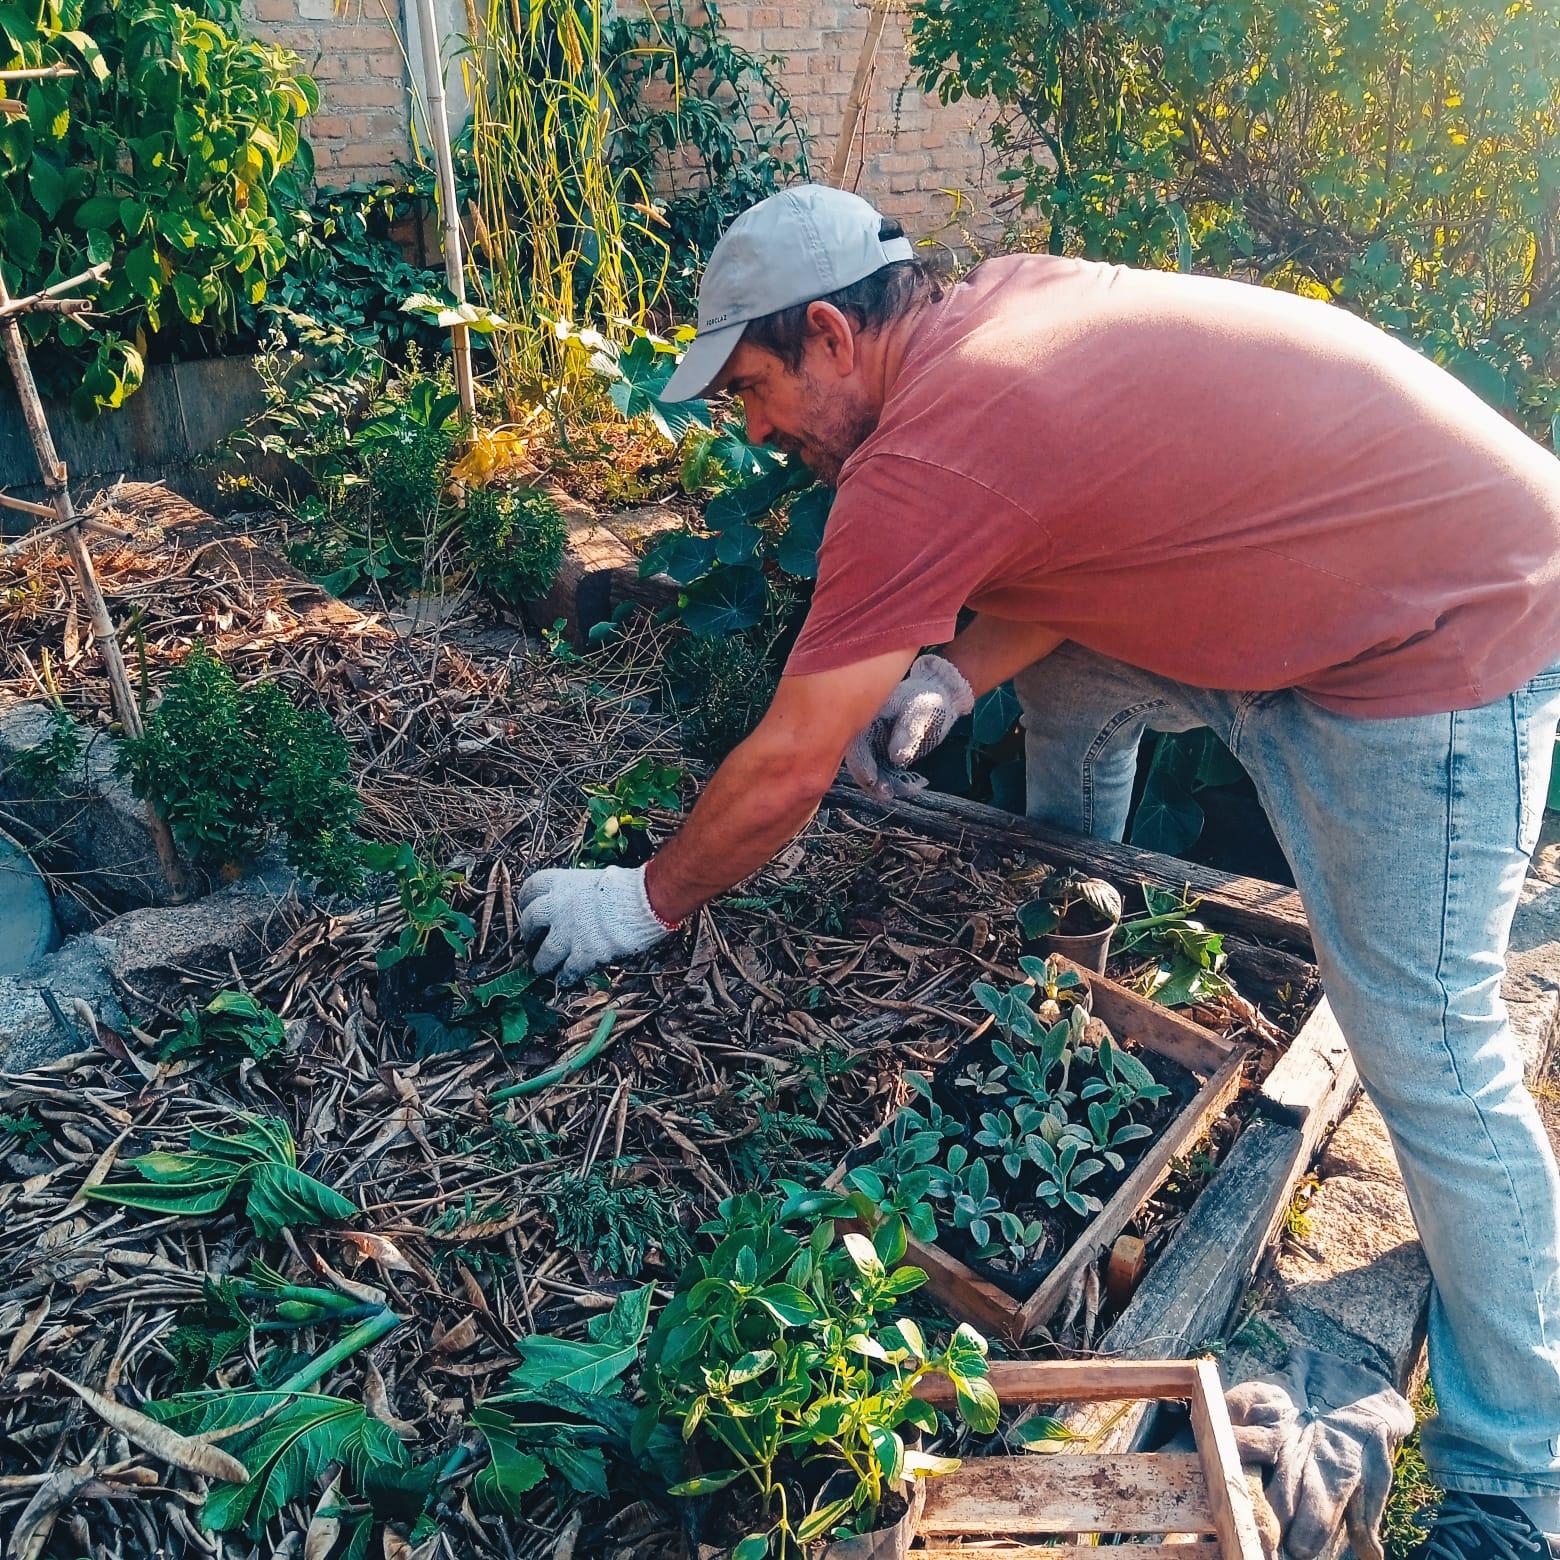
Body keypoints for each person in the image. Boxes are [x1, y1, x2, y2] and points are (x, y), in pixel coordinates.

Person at [516, 184, 1560, 1559]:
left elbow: (786, 767)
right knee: (1072, 687)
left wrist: (638, 902)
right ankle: (1084, 927)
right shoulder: (997, 310)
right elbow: (1078, 547)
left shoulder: (920, 456)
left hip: (1436, 632)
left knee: (1427, 1048)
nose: (752, 426)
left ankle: (1514, 1477)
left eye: (757, 386)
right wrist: (950, 673)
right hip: (1340, 583)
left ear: (830, 333)